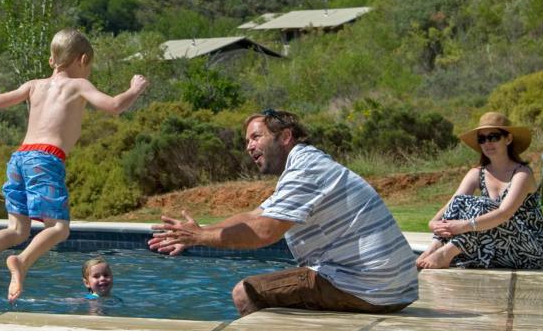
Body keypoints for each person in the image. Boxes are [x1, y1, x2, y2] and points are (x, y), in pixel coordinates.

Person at [148, 109, 418, 316]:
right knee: (290, 283)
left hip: (369, 288)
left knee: (246, 292)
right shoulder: (305, 165)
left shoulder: (306, 170)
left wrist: (200, 238)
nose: (249, 146)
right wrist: (201, 230)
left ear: (286, 136)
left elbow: (264, 232)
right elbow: (253, 216)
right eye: (246, 141)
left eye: (256, 137)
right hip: (389, 288)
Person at [0, 28, 149, 301]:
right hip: (45, 159)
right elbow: (115, 105)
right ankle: (21, 262)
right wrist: (135, 89)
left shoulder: (34, 85)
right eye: (89, 66)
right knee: (59, 228)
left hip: (19, 158)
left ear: (51, 60)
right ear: (83, 60)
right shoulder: (78, 85)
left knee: (17, 230)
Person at [416, 112, 543, 270]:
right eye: (482, 139)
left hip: (532, 250)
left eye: (493, 137)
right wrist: (433, 223)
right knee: (461, 201)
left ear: (508, 139)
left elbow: (504, 213)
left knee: (483, 207)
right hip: (500, 248)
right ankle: (434, 248)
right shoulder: (477, 173)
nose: (487, 143)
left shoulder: (522, 173)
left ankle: (446, 253)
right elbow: (453, 204)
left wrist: (464, 225)